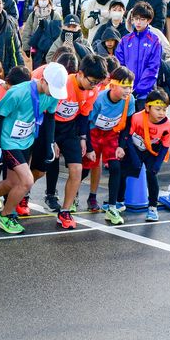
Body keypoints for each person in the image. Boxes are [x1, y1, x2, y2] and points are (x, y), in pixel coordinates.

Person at [0, 64, 67, 233]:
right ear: (43, 81)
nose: (54, 94)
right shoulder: (18, 92)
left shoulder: (52, 94)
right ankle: (5, 215)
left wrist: (50, 142)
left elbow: (50, 117)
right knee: (27, 180)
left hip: (26, 140)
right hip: (8, 141)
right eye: (52, 89)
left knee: (12, 182)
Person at [30, 53, 106, 226]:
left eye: (98, 83)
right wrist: (51, 140)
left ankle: (65, 211)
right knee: (40, 170)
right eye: (92, 81)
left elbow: (84, 116)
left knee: (77, 169)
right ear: (80, 74)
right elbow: (48, 113)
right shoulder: (65, 84)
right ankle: (24, 194)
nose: (94, 86)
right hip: (50, 126)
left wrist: (83, 138)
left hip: (70, 129)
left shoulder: (92, 91)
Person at [83, 66, 135, 221]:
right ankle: (74, 195)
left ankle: (112, 207)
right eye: (124, 87)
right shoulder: (99, 99)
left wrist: (121, 145)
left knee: (115, 167)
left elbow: (128, 123)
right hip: (93, 132)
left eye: (131, 87)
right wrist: (89, 147)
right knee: (86, 168)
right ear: (112, 85)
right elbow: (86, 122)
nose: (128, 91)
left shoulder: (129, 100)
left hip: (112, 134)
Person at [121, 88, 170, 223]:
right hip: (135, 147)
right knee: (124, 172)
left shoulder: (168, 125)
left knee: (152, 174)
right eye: (158, 109)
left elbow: (165, 147)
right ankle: (118, 201)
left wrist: (157, 164)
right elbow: (128, 137)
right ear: (147, 107)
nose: (162, 113)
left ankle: (152, 208)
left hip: (153, 150)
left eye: (164, 109)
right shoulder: (137, 117)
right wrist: (134, 158)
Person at [116, 1, 164, 109]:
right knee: (126, 124)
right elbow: (119, 66)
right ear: (132, 19)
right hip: (126, 92)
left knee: (143, 124)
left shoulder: (155, 40)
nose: (138, 22)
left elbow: (153, 68)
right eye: (136, 19)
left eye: (142, 19)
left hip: (146, 94)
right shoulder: (125, 40)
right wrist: (126, 87)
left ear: (149, 20)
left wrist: (138, 89)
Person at [20, 0, 61, 65]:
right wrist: (26, 47)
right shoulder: (33, 15)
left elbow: (59, 33)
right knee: (37, 69)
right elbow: (27, 31)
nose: (42, 1)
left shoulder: (55, 15)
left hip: (50, 48)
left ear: (49, 0)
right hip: (36, 47)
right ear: (37, 0)